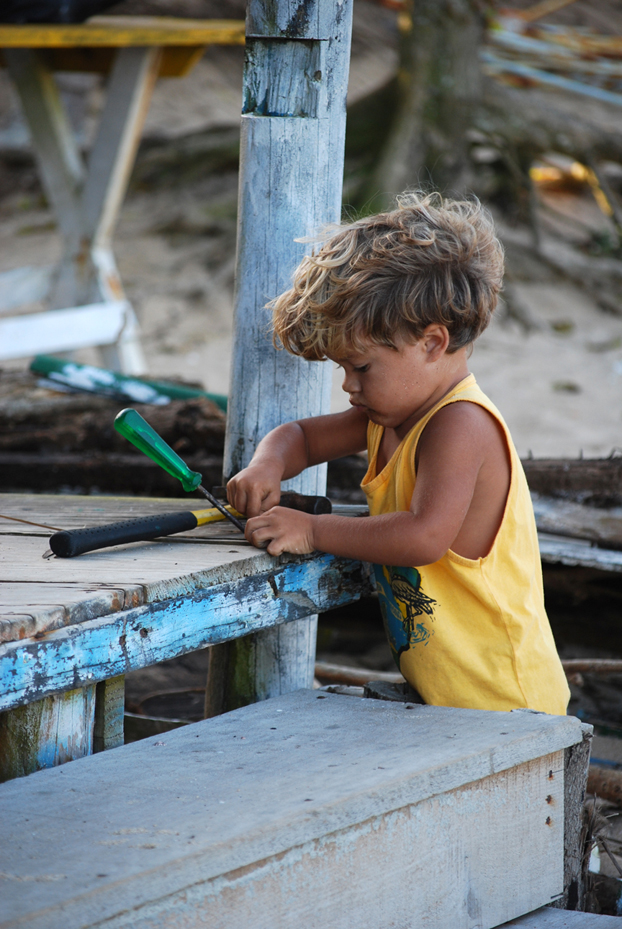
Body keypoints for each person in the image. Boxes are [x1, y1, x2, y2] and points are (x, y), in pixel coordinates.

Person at [226, 191, 570, 715]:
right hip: (451, 701)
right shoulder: (391, 416)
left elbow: (423, 536)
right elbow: (301, 435)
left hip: (507, 705)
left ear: (432, 343)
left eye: (361, 368)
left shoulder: (459, 424)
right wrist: (266, 464)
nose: (348, 386)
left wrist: (312, 529)